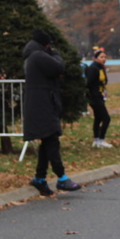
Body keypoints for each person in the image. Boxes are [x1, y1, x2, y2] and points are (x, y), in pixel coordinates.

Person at [23, 28, 80, 196]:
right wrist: (56, 54)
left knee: (47, 141)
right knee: (52, 140)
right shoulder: (39, 56)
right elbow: (58, 67)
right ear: (45, 44)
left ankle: (40, 178)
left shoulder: (32, 56)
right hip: (43, 104)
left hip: (40, 103)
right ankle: (61, 177)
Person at [85, 48, 112, 148]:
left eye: (105, 57)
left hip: (100, 95)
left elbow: (104, 81)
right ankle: (101, 139)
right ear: (96, 58)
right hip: (94, 96)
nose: (104, 59)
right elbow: (89, 83)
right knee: (106, 118)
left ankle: (96, 140)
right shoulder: (93, 68)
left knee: (98, 118)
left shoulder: (101, 67)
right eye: (101, 57)